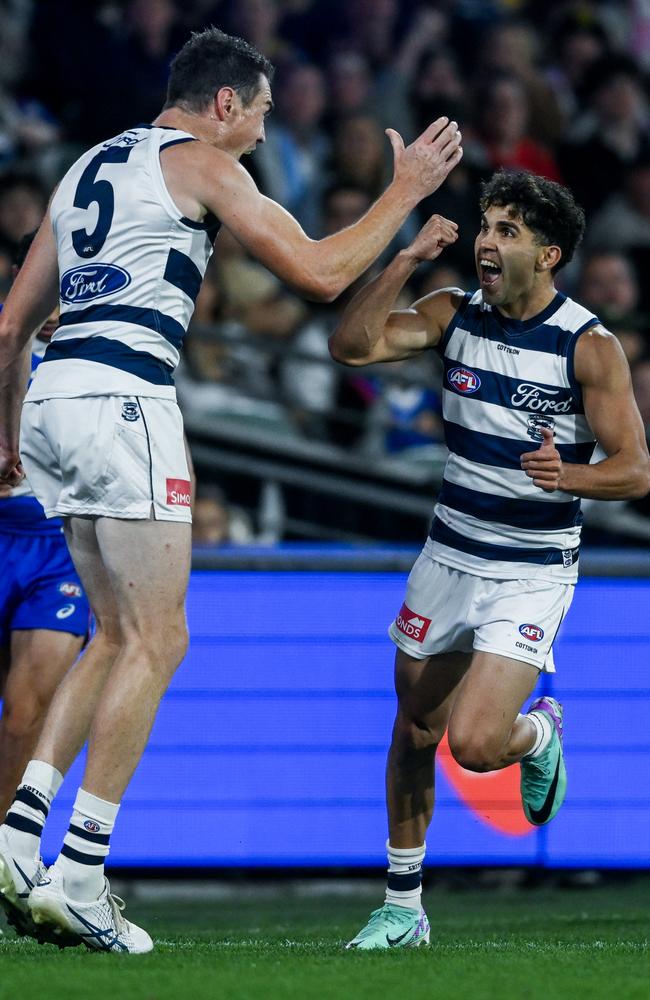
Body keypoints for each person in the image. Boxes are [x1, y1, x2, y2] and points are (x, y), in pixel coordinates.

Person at [0, 26, 462, 954]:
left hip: (54, 398)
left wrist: (9, 434)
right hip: (126, 397)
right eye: (255, 113)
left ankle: (17, 842)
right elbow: (322, 273)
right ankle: (83, 875)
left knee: (115, 632)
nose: (257, 133)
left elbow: (10, 323)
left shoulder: (86, 164)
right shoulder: (202, 164)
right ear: (222, 104)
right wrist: (405, 194)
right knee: (161, 636)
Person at [329, 169, 650, 949]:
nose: (486, 242)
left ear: (549, 255)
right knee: (413, 732)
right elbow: (352, 346)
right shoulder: (453, 314)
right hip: (448, 553)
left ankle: (541, 731)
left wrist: (566, 476)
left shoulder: (589, 345)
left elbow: (636, 469)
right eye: (485, 226)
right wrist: (406, 259)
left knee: (474, 745)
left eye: (508, 231)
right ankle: (403, 909)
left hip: (529, 570)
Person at [0, 232, 90, 830]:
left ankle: (5, 854)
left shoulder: (108, 343)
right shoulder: (7, 337)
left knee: (25, 715)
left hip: (61, 548)